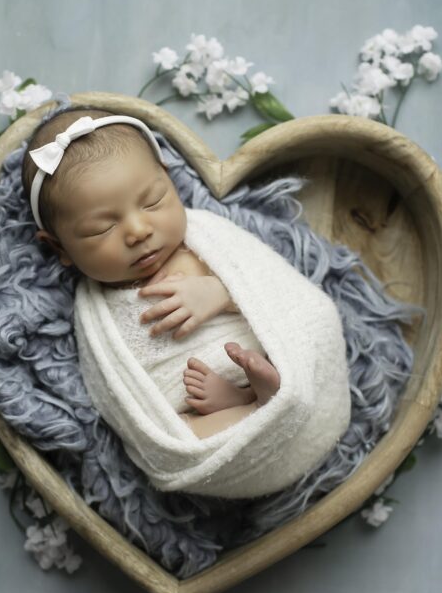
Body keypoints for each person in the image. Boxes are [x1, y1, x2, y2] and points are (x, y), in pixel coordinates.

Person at [21, 106, 280, 439]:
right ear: (60, 248)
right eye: (102, 228)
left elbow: (273, 287)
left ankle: (265, 397)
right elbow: (119, 395)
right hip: (193, 411)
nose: (139, 231)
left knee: (284, 356)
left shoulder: (203, 245)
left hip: (256, 358)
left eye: (153, 200)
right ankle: (253, 409)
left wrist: (220, 293)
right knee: (177, 435)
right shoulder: (94, 311)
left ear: (168, 178)